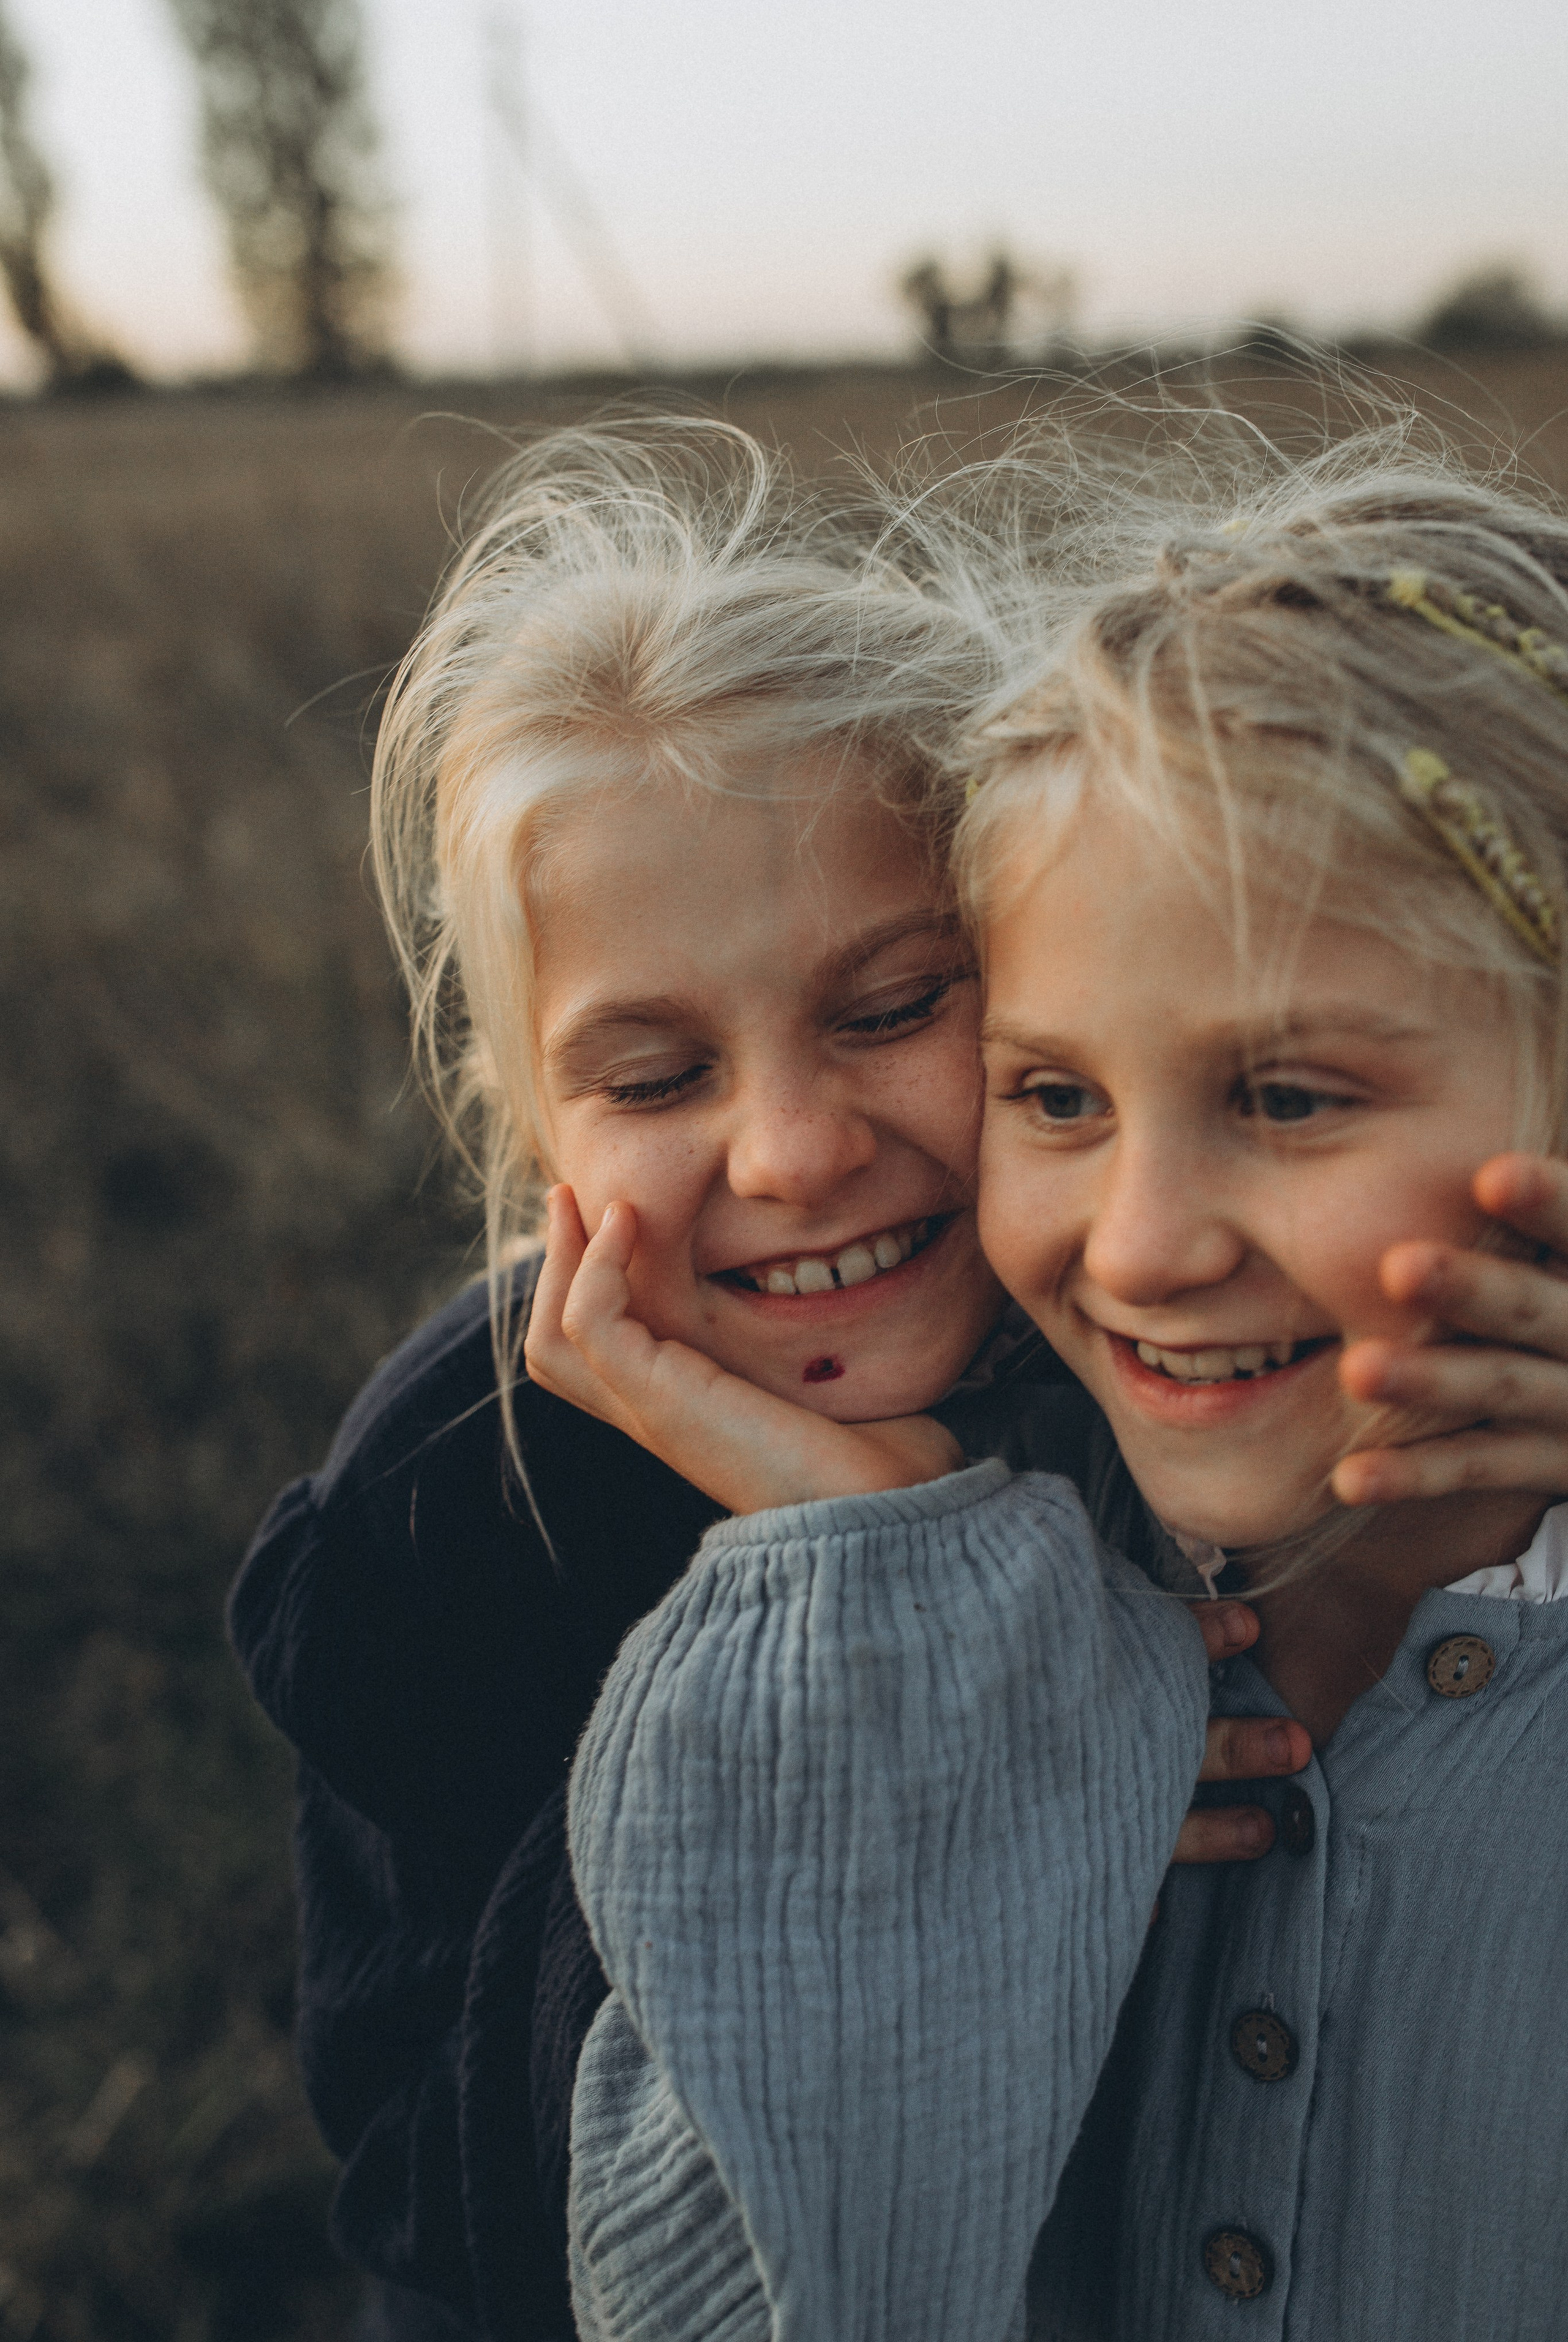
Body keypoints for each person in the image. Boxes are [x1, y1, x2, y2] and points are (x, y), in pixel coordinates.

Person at [232, 420, 1568, 2342]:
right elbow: (450, 2197)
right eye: (654, 1073)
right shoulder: (446, 1519)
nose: (788, 1151)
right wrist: (937, 1726)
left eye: (893, 1011)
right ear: (535, 1133)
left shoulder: (1149, 1400)